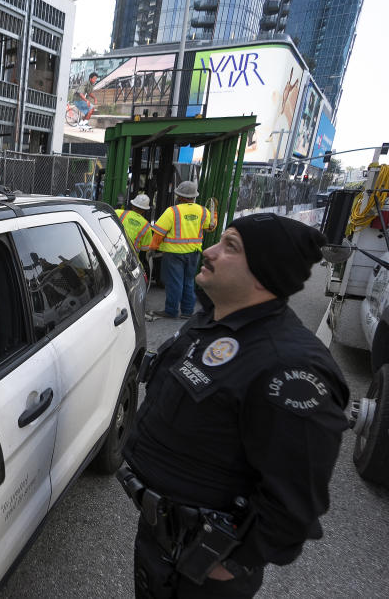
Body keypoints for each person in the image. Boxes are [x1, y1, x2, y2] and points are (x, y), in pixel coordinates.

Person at [119, 213, 349, 598]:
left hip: (205, 568)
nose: (208, 251)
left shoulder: (289, 366)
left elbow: (296, 499)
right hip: (161, 538)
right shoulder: (210, 323)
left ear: (264, 273)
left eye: (231, 246)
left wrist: (232, 563)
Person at [146, 181, 215, 318]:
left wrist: (152, 248)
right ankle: (187, 311)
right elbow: (210, 227)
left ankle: (171, 311)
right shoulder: (203, 211)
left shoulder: (172, 211)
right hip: (194, 253)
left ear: (180, 196)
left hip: (174, 254)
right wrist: (214, 216)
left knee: (174, 283)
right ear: (194, 196)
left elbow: (159, 232)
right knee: (188, 282)